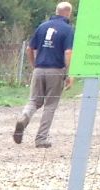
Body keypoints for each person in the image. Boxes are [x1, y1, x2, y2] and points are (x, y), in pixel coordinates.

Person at [15, 2, 75, 148]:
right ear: (68, 13)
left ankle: (24, 117)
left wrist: (34, 64)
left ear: (56, 11)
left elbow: (30, 48)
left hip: (39, 69)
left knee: (34, 101)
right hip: (56, 70)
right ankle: (41, 138)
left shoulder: (42, 26)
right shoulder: (68, 29)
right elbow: (68, 52)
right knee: (50, 105)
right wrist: (70, 73)